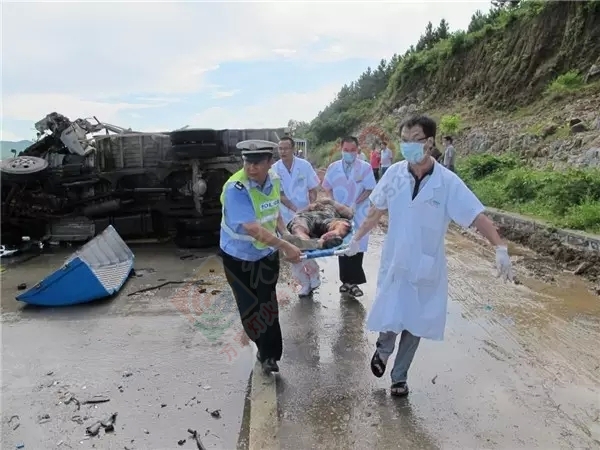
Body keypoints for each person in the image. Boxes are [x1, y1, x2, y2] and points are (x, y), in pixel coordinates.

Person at [343, 115, 513, 396]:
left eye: (416, 140)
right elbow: (376, 211)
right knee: (392, 309)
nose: (409, 146)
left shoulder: (447, 182)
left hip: (426, 264)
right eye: (405, 141)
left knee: (416, 321)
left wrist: (499, 246)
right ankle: (383, 352)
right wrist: (356, 238)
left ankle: (400, 377)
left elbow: (475, 216)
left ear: (430, 142)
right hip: (397, 260)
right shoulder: (395, 174)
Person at [219, 139, 303, 375]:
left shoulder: (274, 179)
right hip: (237, 257)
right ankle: (260, 342)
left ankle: (270, 356)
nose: (251, 168)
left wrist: (284, 231)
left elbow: (272, 207)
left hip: (265, 254)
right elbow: (253, 229)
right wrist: (285, 245)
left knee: (268, 304)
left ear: (269, 162)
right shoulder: (236, 188)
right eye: (247, 162)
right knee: (249, 309)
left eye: (257, 163)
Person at [322, 136, 377, 298]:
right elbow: (327, 187)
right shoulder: (333, 167)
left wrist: (355, 203)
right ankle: (346, 282)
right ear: (341, 149)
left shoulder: (365, 168)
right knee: (342, 245)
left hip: (359, 212)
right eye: (346, 150)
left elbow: (369, 189)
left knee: (357, 245)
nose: (349, 153)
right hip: (339, 213)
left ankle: (353, 283)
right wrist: (333, 204)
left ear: (357, 150)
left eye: (353, 150)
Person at [273, 136, 321, 297]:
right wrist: (295, 209)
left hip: (304, 216)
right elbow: (279, 194)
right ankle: (304, 284)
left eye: (286, 148)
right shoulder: (274, 169)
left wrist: (310, 207)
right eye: (280, 148)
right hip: (285, 217)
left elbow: (313, 189)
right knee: (292, 252)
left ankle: (314, 274)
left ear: (293, 149)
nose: (282, 151)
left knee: (306, 248)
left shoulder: (304, 166)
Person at [283, 198, 354, 250]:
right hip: (306, 218)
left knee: (344, 225)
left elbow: (349, 214)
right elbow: (297, 214)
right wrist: (309, 207)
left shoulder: (331, 205)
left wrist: (329, 201)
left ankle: (333, 235)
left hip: (328, 219)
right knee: (298, 228)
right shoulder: (309, 208)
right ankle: (317, 243)